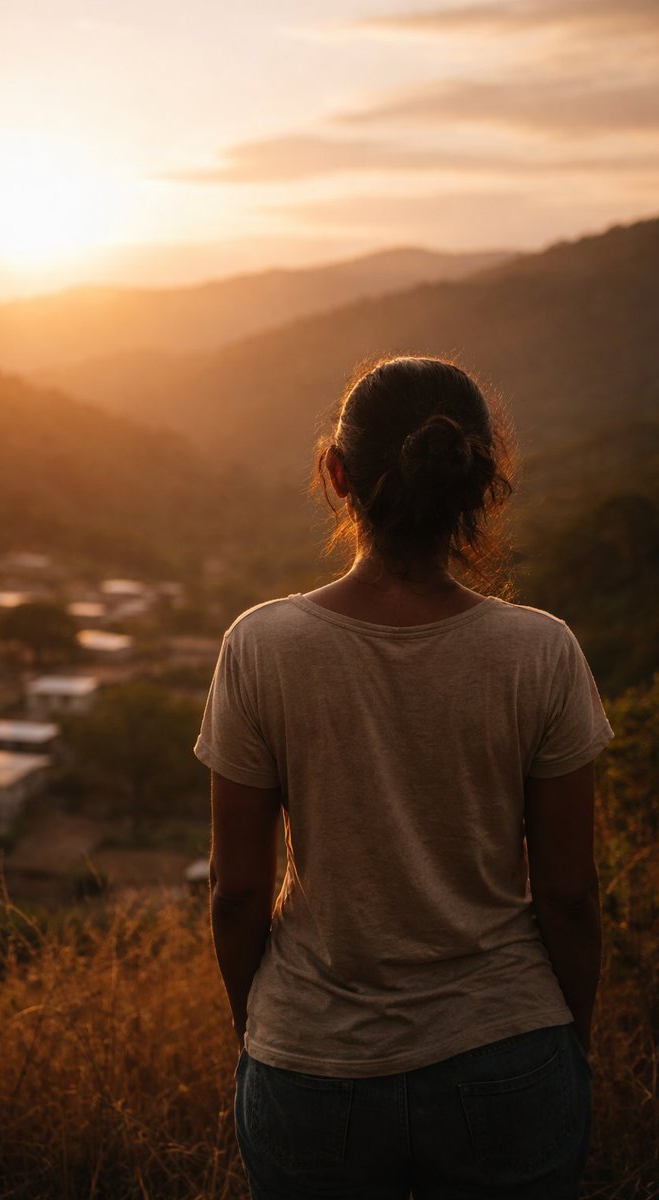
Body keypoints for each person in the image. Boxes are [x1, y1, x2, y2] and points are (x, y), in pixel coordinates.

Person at [194, 357, 613, 1200]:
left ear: (335, 475)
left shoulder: (262, 645)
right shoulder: (543, 650)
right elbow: (569, 894)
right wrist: (567, 1040)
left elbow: (236, 894)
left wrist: (261, 1030)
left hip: (313, 1061)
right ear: (484, 482)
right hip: (509, 1050)